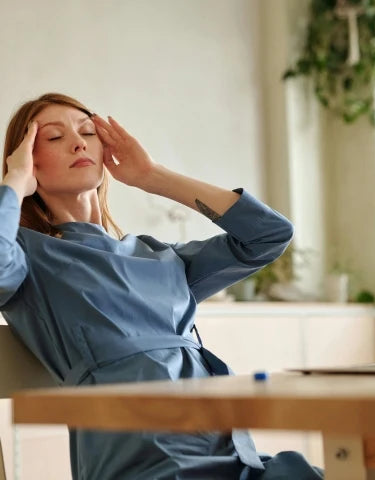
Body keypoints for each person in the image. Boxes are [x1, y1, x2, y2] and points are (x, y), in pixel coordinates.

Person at [0, 93, 323, 480]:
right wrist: (14, 183)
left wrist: (152, 176)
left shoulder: (156, 254)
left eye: (88, 131)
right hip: (141, 457)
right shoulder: (29, 254)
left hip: (231, 449)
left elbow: (269, 236)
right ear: (27, 160)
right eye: (54, 137)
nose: (78, 142)